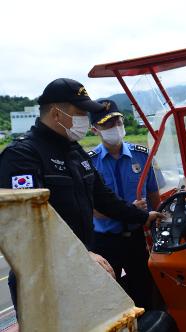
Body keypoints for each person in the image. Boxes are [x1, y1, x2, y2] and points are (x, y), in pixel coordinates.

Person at [0, 78, 164, 312]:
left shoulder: (75, 151)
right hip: (43, 277)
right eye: (80, 112)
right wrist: (81, 255)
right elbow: (25, 227)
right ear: (56, 114)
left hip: (81, 264)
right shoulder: (22, 157)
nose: (85, 121)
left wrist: (142, 217)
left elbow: (103, 197)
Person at [88, 99, 161, 310]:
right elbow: (89, 207)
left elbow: (154, 197)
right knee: (106, 296)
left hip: (137, 239)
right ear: (95, 130)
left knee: (144, 291)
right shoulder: (88, 162)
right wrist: (129, 212)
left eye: (117, 122)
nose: (115, 128)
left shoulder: (142, 155)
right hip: (103, 241)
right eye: (107, 125)